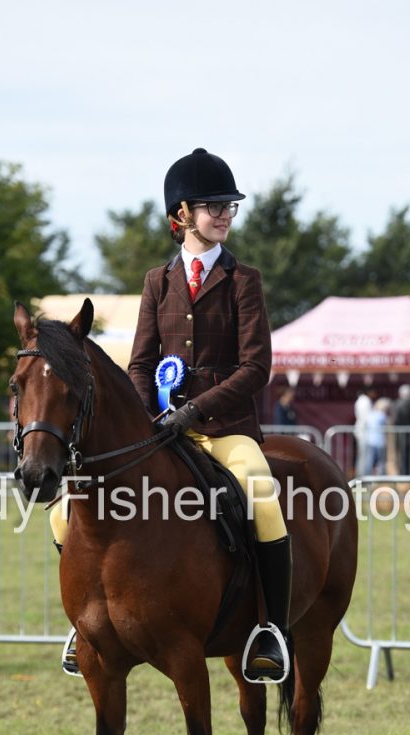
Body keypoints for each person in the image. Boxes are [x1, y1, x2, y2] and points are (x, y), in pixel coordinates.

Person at [124, 147, 291, 682]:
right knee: (83, 504)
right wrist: (147, 416)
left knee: (262, 496)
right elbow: (141, 364)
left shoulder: (244, 280)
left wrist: (195, 408)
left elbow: (256, 367)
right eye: (213, 206)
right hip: (163, 432)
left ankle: (272, 632)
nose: (224, 214)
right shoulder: (158, 281)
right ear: (183, 214)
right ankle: (91, 625)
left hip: (226, 430)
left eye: (229, 206)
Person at [364, 397, 391, 475]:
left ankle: (367, 476)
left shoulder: (370, 415)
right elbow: (388, 426)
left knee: (369, 461)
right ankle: (381, 476)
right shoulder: (382, 416)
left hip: (370, 440)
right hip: (380, 442)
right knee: (381, 461)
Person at [354, 387, 375, 477]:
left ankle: (362, 475)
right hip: (364, 431)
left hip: (362, 430)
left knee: (363, 455)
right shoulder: (365, 401)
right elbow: (367, 418)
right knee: (365, 456)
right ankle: (363, 476)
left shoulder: (361, 400)